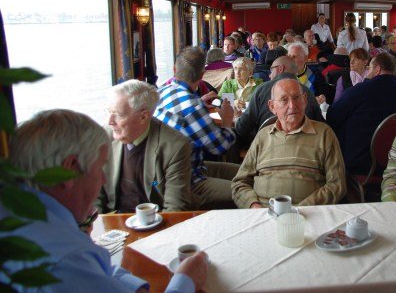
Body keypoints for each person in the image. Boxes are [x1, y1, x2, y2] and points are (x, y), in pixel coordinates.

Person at [2, 109, 208, 293]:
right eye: (99, 168)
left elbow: (95, 273)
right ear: (69, 170)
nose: (102, 179)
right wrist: (184, 281)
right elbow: (77, 268)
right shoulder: (66, 259)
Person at [232, 79, 346, 208]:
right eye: (284, 100)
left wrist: (300, 210)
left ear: (305, 100)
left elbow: (337, 185)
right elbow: (240, 183)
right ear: (272, 107)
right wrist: (254, 206)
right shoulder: (262, 136)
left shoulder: (324, 134)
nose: (292, 105)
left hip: (308, 214)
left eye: (296, 97)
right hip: (262, 213)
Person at [155, 46, 240, 209]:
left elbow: (180, 113)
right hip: (187, 180)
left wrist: (199, 102)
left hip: (172, 171)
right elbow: (221, 147)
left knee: (242, 173)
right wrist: (227, 120)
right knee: (245, 188)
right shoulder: (193, 107)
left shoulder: (161, 92)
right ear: (202, 76)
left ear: (175, 69)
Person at [98, 80, 192, 213]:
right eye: (109, 112)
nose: (110, 121)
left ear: (143, 117)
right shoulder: (104, 136)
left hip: (155, 220)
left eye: (118, 114)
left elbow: (175, 208)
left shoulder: (175, 146)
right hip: (113, 218)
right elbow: (94, 196)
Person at [327, 53, 396, 189]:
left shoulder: (357, 91)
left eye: (370, 68)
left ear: (377, 69)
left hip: (361, 163)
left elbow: (333, 118)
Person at [234, 56, 325, 146]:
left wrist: (237, 118)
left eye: (271, 70)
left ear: (280, 69)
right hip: (304, 148)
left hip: (267, 148)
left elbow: (242, 129)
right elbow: (321, 126)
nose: (269, 75)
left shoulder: (261, 89)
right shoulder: (308, 92)